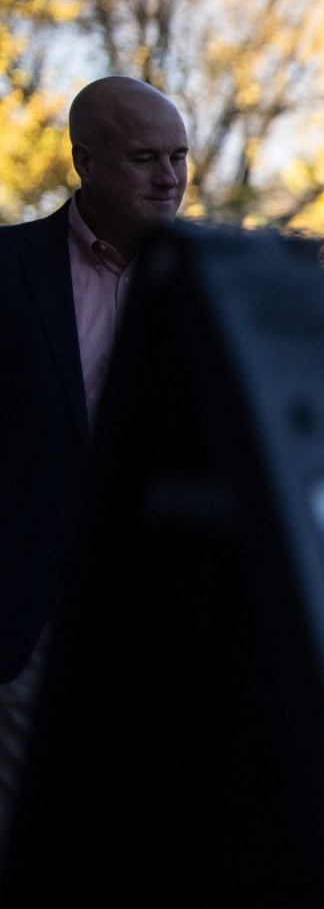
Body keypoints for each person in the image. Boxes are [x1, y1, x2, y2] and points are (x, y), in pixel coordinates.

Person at [0, 77, 189, 828]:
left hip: (163, 617)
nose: (169, 177)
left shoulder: (219, 286)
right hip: (23, 622)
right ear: (85, 160)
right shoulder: (8, 269)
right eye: (145, 157)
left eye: (179, 156)